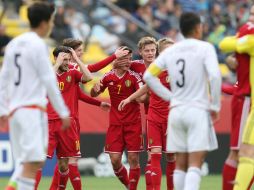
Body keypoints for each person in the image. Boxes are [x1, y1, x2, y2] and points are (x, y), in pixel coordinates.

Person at [143, 12, 221, 190]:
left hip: (176, 111)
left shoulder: (171, 51)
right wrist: (215, 105)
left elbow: (148, 76)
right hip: (197, 109)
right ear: (197, 28)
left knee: (179, 164)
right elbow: (215, 76)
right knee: (195, 162)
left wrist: (171, 97)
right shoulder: (205, 48)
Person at [0, 2, 70, 190]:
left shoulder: (13, 43)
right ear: (45, 23)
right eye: (52, 21)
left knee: (30, 162)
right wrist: (63, 111)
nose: (53, 25)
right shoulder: (39, 45)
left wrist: (2, 109)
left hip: (15, 111)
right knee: (33, 163)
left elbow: (3, 77)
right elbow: (49, 80)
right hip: (32, 110)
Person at [45, 38, 128, 190]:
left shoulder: (73, 69)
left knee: (64, 163)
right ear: (68, 52)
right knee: (66, 162)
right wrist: (114, 56)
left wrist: (97, 103)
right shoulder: (70, 66)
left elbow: (79, 94)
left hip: (71, 119)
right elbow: (94, 68)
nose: (82, 52)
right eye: (79, 50)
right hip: (56, 120)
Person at [118, 38, 175, 190]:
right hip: (153, 116)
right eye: (166, 51)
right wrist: (130, 98)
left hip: (171, 117)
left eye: (152, 51)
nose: (150, 53)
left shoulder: (178, 71)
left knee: (171, 156)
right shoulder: (153, 69)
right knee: (154, 154)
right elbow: (146, 86)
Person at [90, 47, 145, 190]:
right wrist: (94, 90)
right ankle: (128, 185)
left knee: (133, 158)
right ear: (117, 59)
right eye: (124, 58)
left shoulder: (134, 77)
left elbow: (143, 96)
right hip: (115, 124)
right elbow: (94, 94)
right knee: (114, 160)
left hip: (133, 123)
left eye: (130, 58)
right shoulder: (108, 76)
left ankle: (132, 188)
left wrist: (141, 96)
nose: (128, 61)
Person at [219, 5, 254, 190]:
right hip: (245, 99)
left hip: (245, 97)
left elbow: (229, 49)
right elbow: (225, 46)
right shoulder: (249, 29)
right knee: (239, 153)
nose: (251, 17)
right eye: (251, 13)